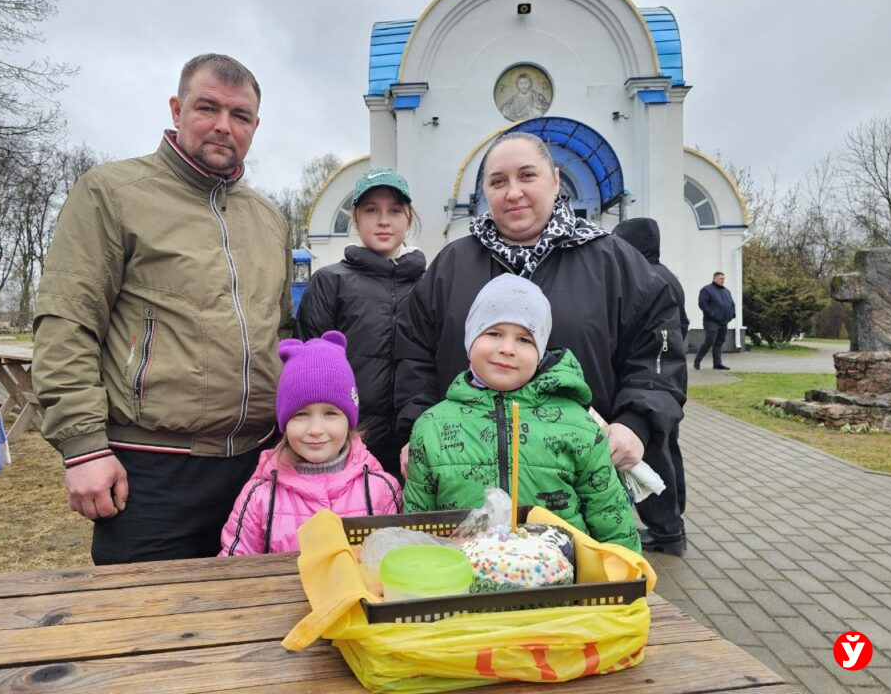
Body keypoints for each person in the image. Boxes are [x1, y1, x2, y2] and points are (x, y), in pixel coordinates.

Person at [33, 54, 293, 564]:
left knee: (250, 627)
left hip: (256, 468)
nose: (223, 125)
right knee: (143, 629)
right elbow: (68, 321)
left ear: (255, 126)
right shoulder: (113, 194)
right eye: (207, 107)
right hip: (150, 470)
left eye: (240, 116)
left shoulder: (270, 219)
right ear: (177, 109)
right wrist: (83, 446)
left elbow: (279, 331)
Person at [395, 131, 686, 483]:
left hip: (578, 481)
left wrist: (636, 423)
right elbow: (414, 354)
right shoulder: (452, 265)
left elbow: (657, 350)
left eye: (527, 175)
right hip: (464, 474)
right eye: (498, 181)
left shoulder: (613, 261)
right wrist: (418, 427)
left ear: (555, 180)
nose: (513, 192)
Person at [404, 275, 641, 552]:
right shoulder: (431, 427)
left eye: (524, 339)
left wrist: (627, 575)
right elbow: (417, 524)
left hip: (563, 585)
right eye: (493, 333)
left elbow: (609, 513)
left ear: (540, 352)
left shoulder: (578, 426)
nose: (507, 348)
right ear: (470, 339)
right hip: (463, 584)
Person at [220, 331, 401, 556]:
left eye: (330, 413)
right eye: (301, 415)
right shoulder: (259, 496)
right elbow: (234, 569)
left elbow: (394, 562)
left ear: (349, 421)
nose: (315, 430)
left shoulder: (380, 489)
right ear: (284, 422)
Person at [295, 168, 426, 477]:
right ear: (355, 219)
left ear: (409, 218)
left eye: (394, 210)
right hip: (348, 443)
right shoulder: (330, 282)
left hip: (415, 444)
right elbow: (308, 367)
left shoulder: (428, 283)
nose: (383, 220)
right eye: (371, 210)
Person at [612, 217, 689, 555]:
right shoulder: (664, 274)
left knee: (653, 453)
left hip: (654, 380)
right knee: (667, 448)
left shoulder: (647, 277)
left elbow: (664, 332)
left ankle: (666, 530)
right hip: (665, 378)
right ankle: (673, 523)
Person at [694, 271, 736, 371]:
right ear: (714, 279)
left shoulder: (726, 291)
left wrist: (732, 314)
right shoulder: (706, 290)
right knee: (709, 341)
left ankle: (717, 364)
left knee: (719, 342)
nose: (723, 281)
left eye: (724, 279)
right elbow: (702, 304)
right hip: (711, 321)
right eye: (721, 279)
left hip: (724, 321)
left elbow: (732, 303)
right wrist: (713, 315)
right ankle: (697, 360)